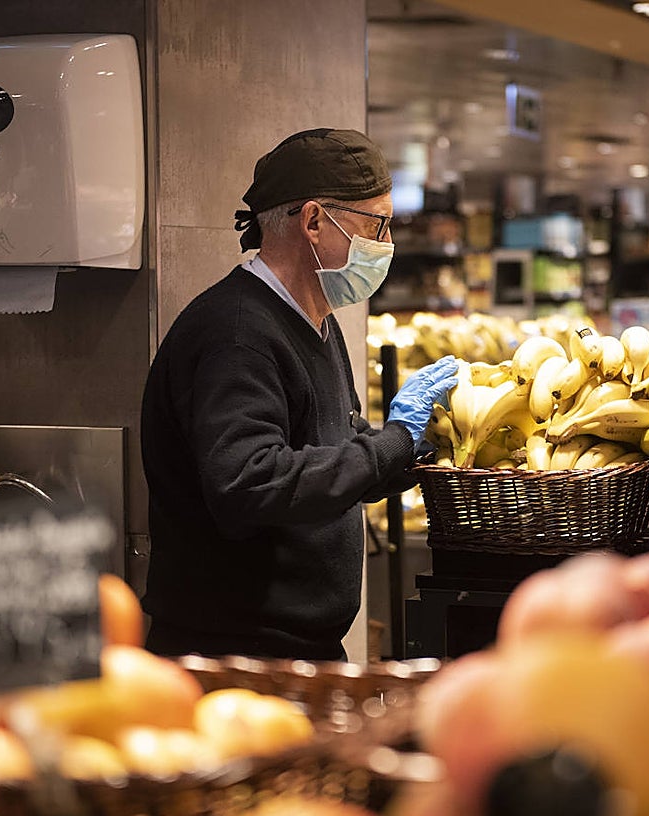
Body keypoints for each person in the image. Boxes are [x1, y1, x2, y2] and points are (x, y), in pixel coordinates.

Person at [139, 128, 458, 661]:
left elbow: (328, 449)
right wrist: (393, 442)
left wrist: (414, 453)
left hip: (298, 650)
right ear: (313, 221)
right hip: (236, 660)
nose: (386, 244)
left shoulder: (312, 321)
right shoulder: (237, 333)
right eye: (376, 225)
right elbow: (251, 482)